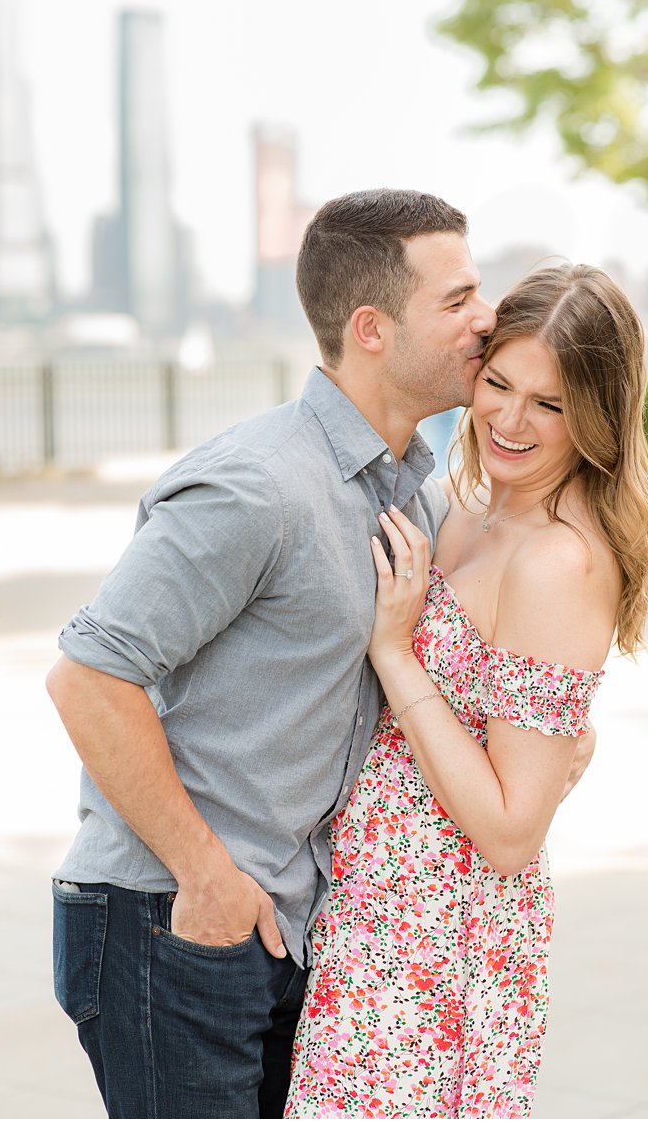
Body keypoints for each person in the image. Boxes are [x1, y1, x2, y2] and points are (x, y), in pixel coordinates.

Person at [44, 188, 498, 1118]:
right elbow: (87, 675)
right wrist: (208, 877)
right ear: (371, 328)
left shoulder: (412, 495)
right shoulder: (258, 484)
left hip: (286, 926)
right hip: (172, 913)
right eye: (457, 300)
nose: (486, 320)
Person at [284, 265, 648, 1118]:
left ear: (597, 416)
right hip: (375, 921)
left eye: (551, 403)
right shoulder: (471, 510)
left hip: (440, 947)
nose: (510, 419)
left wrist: (395, 651)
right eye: (498, 383)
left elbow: (508, 832)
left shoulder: (560, 560)